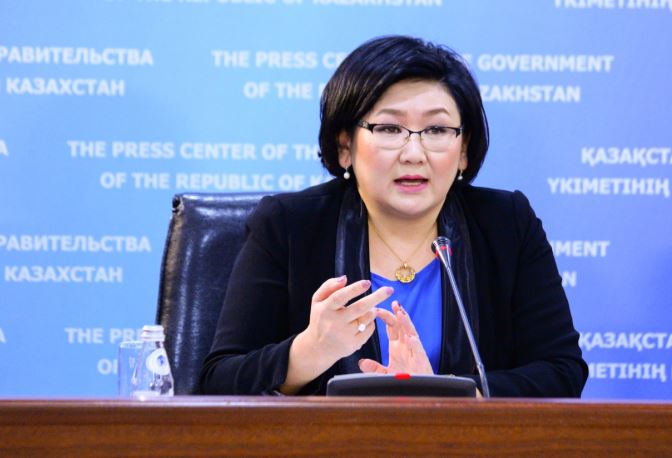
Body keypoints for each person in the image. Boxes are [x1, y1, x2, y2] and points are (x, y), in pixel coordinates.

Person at [199, 35, 587, 397]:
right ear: (345, 146)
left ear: (464, 150)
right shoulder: (290, 225)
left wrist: (448, 392)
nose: (414, 153)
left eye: (436, 129)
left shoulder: (506, 224)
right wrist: (310, 351)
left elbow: (562, 371)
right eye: (389, 128)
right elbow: (218, 382)